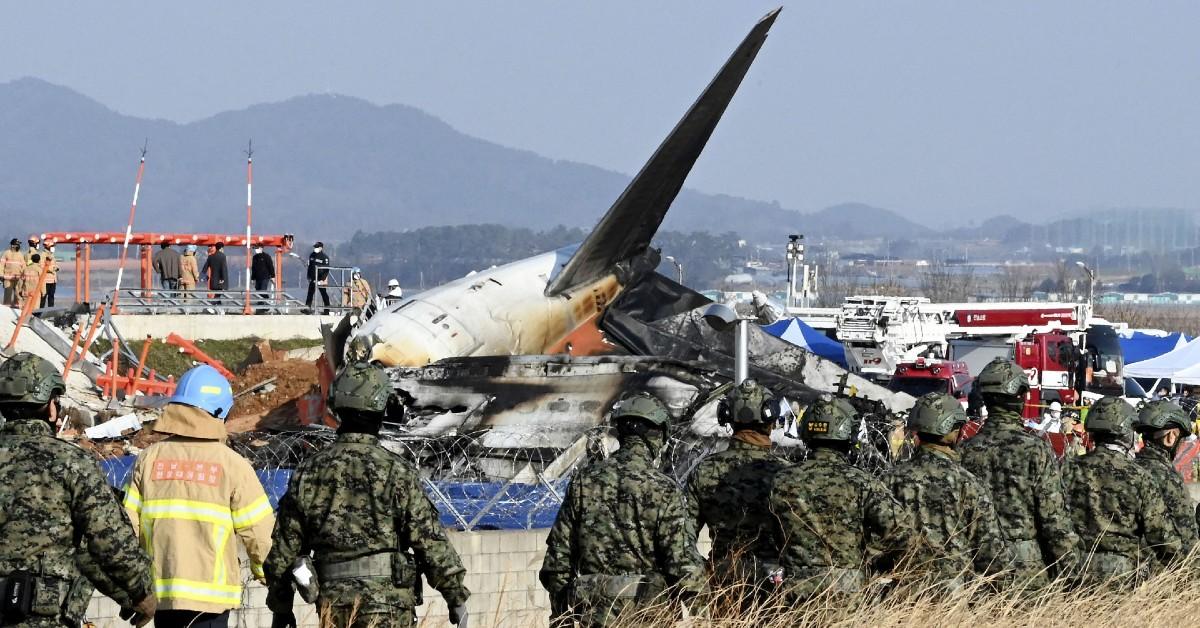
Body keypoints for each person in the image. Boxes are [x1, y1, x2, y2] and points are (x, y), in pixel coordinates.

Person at [266, 362, 470, 628]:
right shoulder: (396, 471)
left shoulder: (310, 472)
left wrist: (281, 609)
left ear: (336, 406)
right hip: (390, 608)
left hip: (333, 606)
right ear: (381, 407)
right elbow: (429, 541)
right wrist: (455, 597)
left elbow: (285, 550)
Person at [0, 352, 157, 627]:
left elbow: (86, 548)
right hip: (44, 617)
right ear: (51, 407)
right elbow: (108, 541)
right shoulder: (73, 463)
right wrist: (140, 592)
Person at [123, 364, 275, 628]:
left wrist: (132, 588)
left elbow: (126, 530)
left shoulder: (148, 460)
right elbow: (260, 536)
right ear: (220, 412)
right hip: (211, 604)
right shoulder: (232, 465)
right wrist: (270, 579)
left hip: (161, 597)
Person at [541, 391, 704, 627]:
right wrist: (704, 613)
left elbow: (558, 559)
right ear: (658, 435)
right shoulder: (663, 488)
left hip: (595, 617)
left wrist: (560, 616)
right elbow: (683, 564)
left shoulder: (584, 482)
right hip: (648, 618)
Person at [769, 397, 912, 601]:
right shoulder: (862, 482)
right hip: (849, 592)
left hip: (797, 591)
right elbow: (902, 532)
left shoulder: (781, 480)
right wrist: (870, 562)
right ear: (849, 435)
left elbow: (772, 533)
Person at [960, 357, 1079, 588]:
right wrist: (1073, 572)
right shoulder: (1035, 450)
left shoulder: (965, 451)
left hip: (978, 567)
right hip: (1026, 570)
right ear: (1021, 397)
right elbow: (1054, 520)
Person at [885, 393, 1011, 591]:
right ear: (953, 431)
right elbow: (991, 551)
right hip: (954, 595)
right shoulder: (968, 483)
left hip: (902, 593)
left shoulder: (890, 480)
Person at [685, 379, 789, 603]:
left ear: (726, 417)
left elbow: (684, 536)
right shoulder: (785, 473)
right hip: (776, 581)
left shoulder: (705, 470)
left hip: (724, 579)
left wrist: (705, 574)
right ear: (770, 419)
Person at [1062, 396, 1182, 586]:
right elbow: (1163, 537)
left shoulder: (1067, 469)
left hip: (1073, 573)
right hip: (1121, 578)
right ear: (1127, 432)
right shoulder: (1138, 476)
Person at [1134, 400, 1199, 561]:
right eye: (1182, 439)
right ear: (1170, 437)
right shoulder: (1168, 478)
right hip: (1158, 572)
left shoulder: (1129, 469)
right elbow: (1187, 542)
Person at [305, 242, 331, 313]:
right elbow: (310, 267)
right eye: (315, 247)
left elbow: (326, 270)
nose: (315, 249)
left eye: (317, 247)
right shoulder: (312, 255)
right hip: (313, 278)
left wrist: (322, 279)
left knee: (324, 294)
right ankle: (307, 307)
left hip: (320, 278)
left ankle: (327, 310)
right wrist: (308, 276)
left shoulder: (324, 257)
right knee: (310, 293)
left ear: (321, 248)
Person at [1, 238, 24, 306]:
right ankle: (6, 311)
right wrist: (1, 275)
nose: (19, 246)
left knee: (17, 296)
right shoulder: (6, 253)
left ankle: (16, 310)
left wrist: (23, 276)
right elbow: (1, 265)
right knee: (7, 297)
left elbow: (23, 266)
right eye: (17, 244)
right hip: (8, 279)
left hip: (18, 279)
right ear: (12, 245)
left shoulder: (20, 254)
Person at [39, 240, 58, 308]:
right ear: (48, 246)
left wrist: (56, 267)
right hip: (46, 280)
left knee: (51, 296)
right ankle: (40, 312)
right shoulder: (43, 255)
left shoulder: (52, 255)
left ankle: (51, 310)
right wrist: (52, 269)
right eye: (52, 246)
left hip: (53, 280)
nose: (53, 247)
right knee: (43, 296)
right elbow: (42, 266)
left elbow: (55, 264)